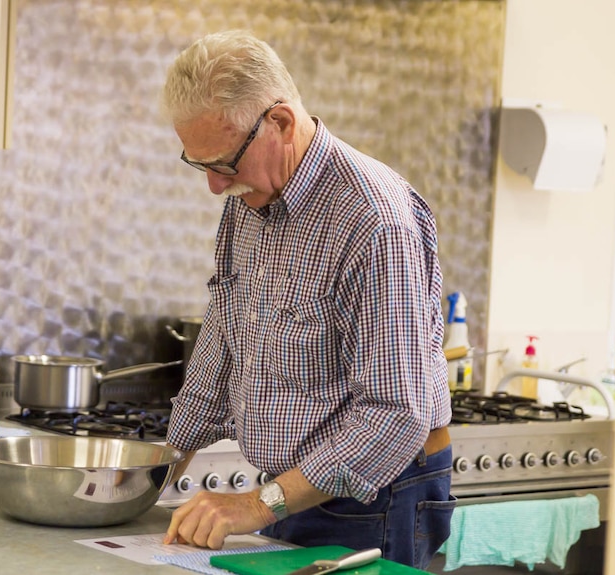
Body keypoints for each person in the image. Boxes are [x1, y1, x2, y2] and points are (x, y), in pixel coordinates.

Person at [160, 30, 454, 570]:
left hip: (376, 499)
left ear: (281, 123)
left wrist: (254, 505)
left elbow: (395, 415)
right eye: (199, 165)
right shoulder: (247, 198)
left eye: (223, 164)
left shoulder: (373, 222)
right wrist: (157, 465)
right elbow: (224, 338)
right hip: (291, 492)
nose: (213, 186)